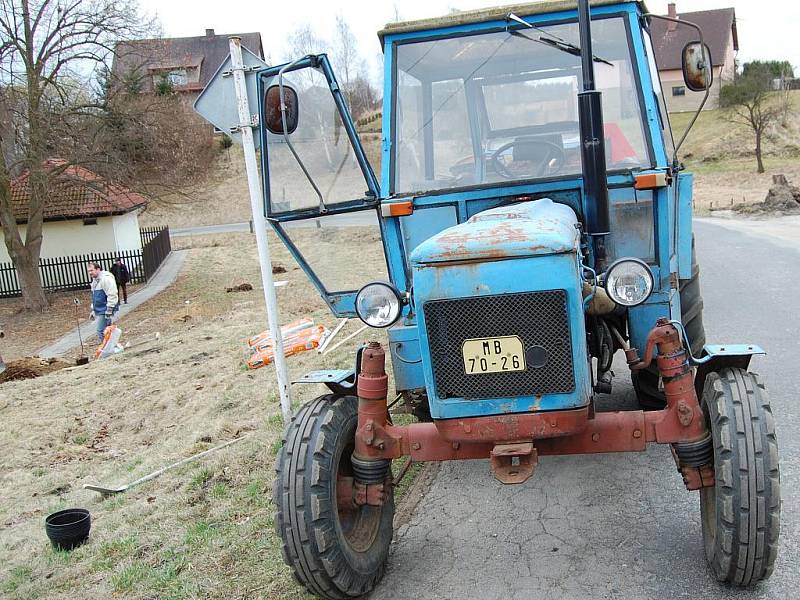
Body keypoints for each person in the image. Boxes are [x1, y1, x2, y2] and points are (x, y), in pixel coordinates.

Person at [87, 262, 119, 343]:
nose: (90, 273)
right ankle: (112, 347)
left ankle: (106, 349)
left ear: (98, 269)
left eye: (92, 270)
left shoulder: (106, 279)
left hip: (106, 308)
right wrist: (93, 310)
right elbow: (95, 297)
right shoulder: (95, 281)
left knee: (101, 331)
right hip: (101, 309)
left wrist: (109, 309)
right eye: (89, 271)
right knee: (107, 330)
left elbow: (112, 293)